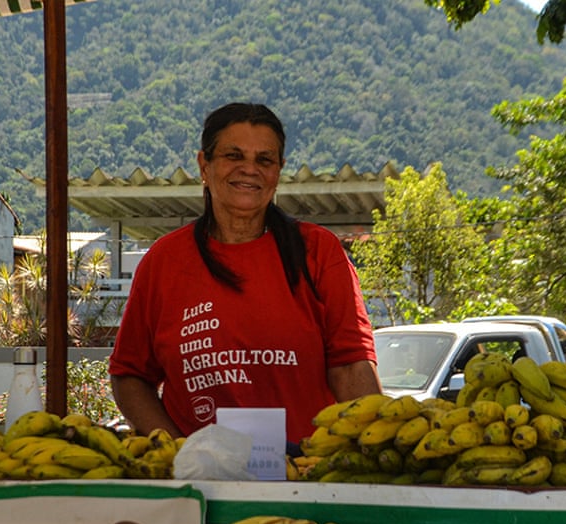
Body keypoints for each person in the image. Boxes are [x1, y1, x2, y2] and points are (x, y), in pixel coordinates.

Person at [109, 102, 382, 446]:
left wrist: (378, 448)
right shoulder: (164, 261)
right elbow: (130, 376)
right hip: (202, 480)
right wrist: (180, 450)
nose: (249, 169)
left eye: (264, 160)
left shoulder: (319, 252)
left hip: (306, 474)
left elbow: (351, 367)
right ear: (204, 165)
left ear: (278, 171)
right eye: (233, 156)